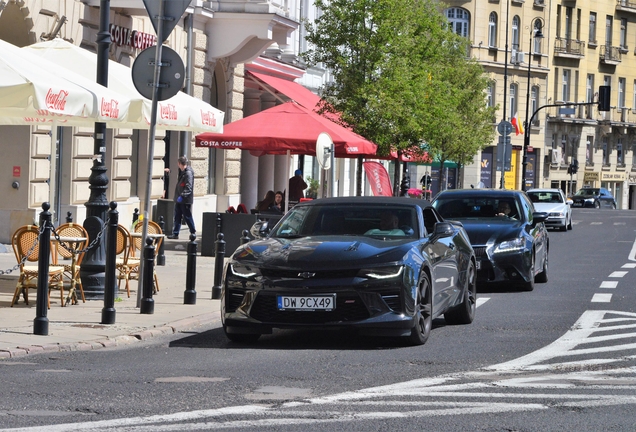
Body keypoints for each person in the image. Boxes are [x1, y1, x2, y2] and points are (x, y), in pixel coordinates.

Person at [167, 156, 196, 239]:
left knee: (187, 216)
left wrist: (182, 196)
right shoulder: (183, 172)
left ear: (179, 163)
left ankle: (193, 231)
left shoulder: (188, 173)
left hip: (185, 200)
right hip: (180, 199)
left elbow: (188, 187)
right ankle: (175, 233)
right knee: (177, 216)